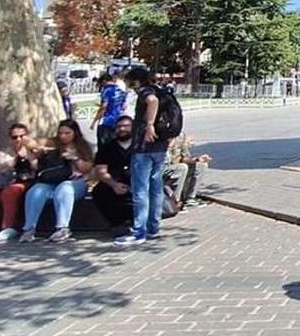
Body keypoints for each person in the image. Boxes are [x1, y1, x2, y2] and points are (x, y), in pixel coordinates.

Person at [115, 67, 169, 246]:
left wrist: (149, 125)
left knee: (140, 190)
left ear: (135, 80)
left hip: (143, 147)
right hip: (159, 147)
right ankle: (153, 228)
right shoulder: (158, 90)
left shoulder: (145, 92)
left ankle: (139, 231)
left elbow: (152, 101)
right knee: (156, 188)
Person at [19, 119, 94, 243]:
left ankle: (62, 228)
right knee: (36, 191)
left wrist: (74, 158)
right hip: (52, 180)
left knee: (64, 189)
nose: (63, 136)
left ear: (75, 133)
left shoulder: (83, 146)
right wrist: (36, 149)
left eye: (67, 133)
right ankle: (29, 229)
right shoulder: (53, 143)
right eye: (60, 133)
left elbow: (87, 168)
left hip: (75, 182)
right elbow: (32, 143)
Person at [91, 116, 135, 231]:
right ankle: (117, 223)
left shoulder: (140, 147)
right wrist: (114, 184)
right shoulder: (107, 148)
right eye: (119, 126)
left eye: (126, 126)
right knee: (99, 191)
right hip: (114, 182)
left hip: (137, 182)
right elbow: (100, 170)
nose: (122, 129)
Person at [165, 134, 212, 209]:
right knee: (182, 168)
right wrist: (169, 145)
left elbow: (184, 158)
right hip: (160, 168)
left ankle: (190, 198)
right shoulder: (158, 134)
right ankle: (175, 203)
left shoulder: (181, 136)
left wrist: (197, 159)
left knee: (201, 165)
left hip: (175, 166)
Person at [91, 72, 128, 147]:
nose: (102, 86)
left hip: (106, 121)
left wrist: (94, 122)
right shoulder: (120, 90)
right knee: (114, 143)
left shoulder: (107, 90)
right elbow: (124, 106)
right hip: (117, 120)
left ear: (104, 81)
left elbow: (104, 107)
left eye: (101, 84)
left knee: (103, 144)